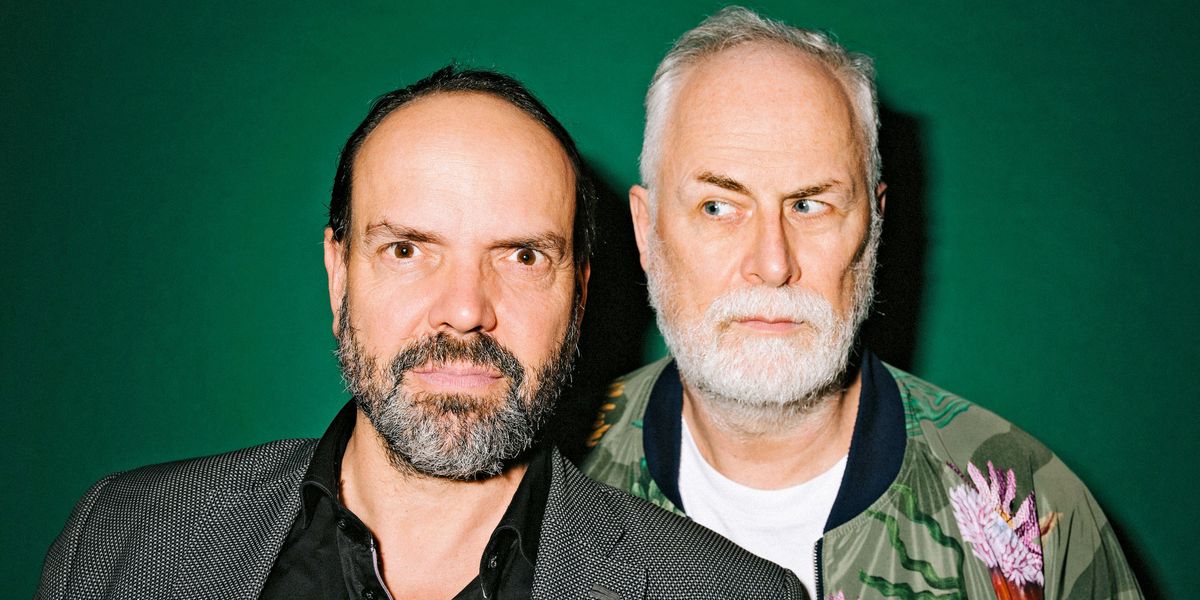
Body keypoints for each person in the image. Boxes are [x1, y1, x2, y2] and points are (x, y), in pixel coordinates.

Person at [36, 66, 803, 600]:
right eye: (407, 250)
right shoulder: (122, 540)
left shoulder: (733, 594)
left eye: (523, 256)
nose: (465, 309)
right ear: (339, 274)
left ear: (579, 296)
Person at [580, 7, 1143, 600]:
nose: (773, 264)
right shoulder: (551, 477)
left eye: (809, 205)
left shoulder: (1031, 510)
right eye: (718, 207)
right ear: (646, 231)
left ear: (874, 225)